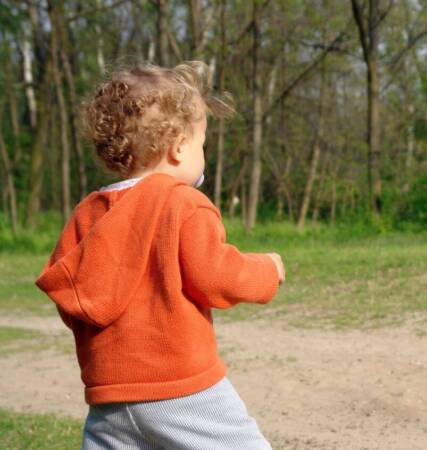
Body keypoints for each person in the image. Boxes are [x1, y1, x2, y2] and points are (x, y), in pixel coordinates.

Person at [35, 61, 285, 449]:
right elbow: (215, 275)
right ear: (180, 147)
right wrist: (267, 269)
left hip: (109, 398)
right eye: (202, 144)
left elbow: (75, 301)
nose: (203, 154)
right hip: (182, 389)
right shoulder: (182, 204)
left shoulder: (87, 214)